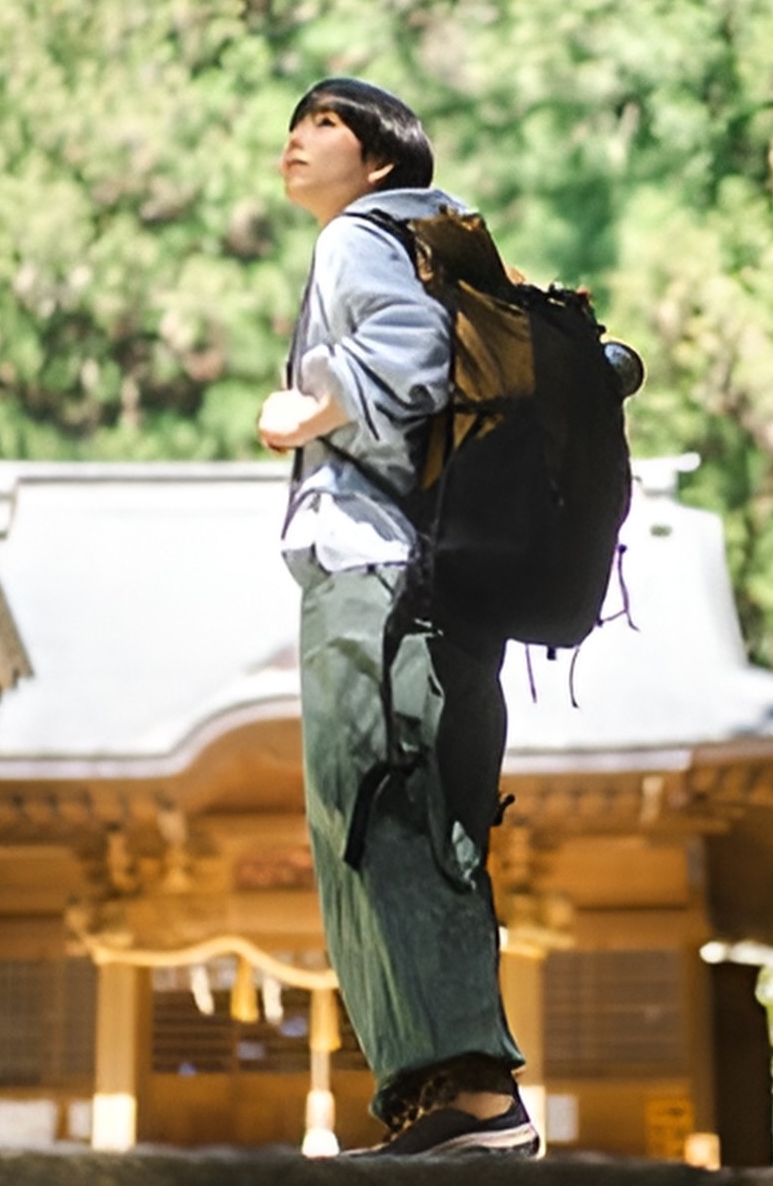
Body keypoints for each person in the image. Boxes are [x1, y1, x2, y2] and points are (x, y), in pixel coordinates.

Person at [256, 77, 538, 1159]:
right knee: (417, 810)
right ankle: (442, 1092)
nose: (297, 140)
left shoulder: (361, 236)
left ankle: (471, 1090)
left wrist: (307, 409)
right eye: (296, 123)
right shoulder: (426, 238)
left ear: (379, 158)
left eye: (324, 125)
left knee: (375, 811)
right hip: (441, 580)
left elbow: (413, 356)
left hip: (376, 571)